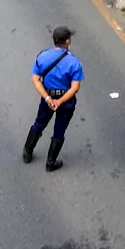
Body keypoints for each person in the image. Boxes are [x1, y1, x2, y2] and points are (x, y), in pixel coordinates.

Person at [23, 26, 84, 171]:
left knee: (39, 123)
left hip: (48, 98)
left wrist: (48, 98)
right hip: (66, 102)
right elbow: (75, 88)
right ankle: (51, 163)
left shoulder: (42, 56)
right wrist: (60, 101)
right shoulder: (74, 63)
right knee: (59, 131)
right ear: (68, 41)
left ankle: (27, 152)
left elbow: (35, 79)